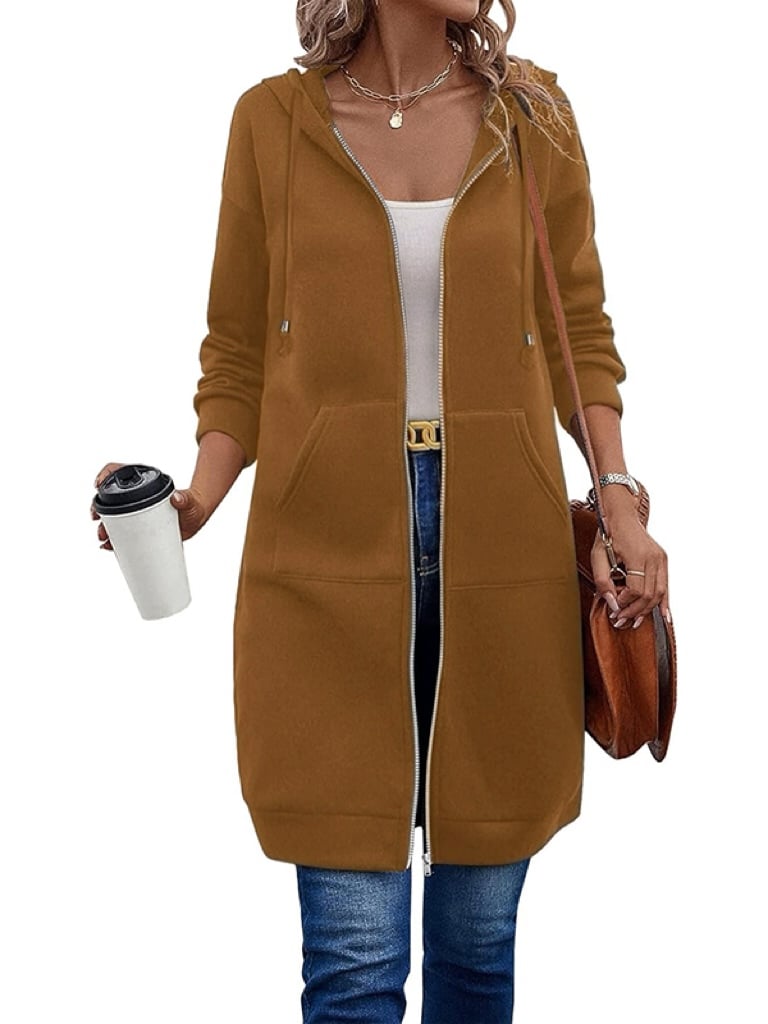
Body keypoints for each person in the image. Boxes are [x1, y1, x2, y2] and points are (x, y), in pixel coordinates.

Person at [92, 1, 670, 1019]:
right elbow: (237, 350)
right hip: (322, 557)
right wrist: (194, 500)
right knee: (352, 967)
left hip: (507, 549)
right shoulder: (271, 123)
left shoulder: (533, 116)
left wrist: (619, 497)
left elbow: (577, 326)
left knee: (477, 955)